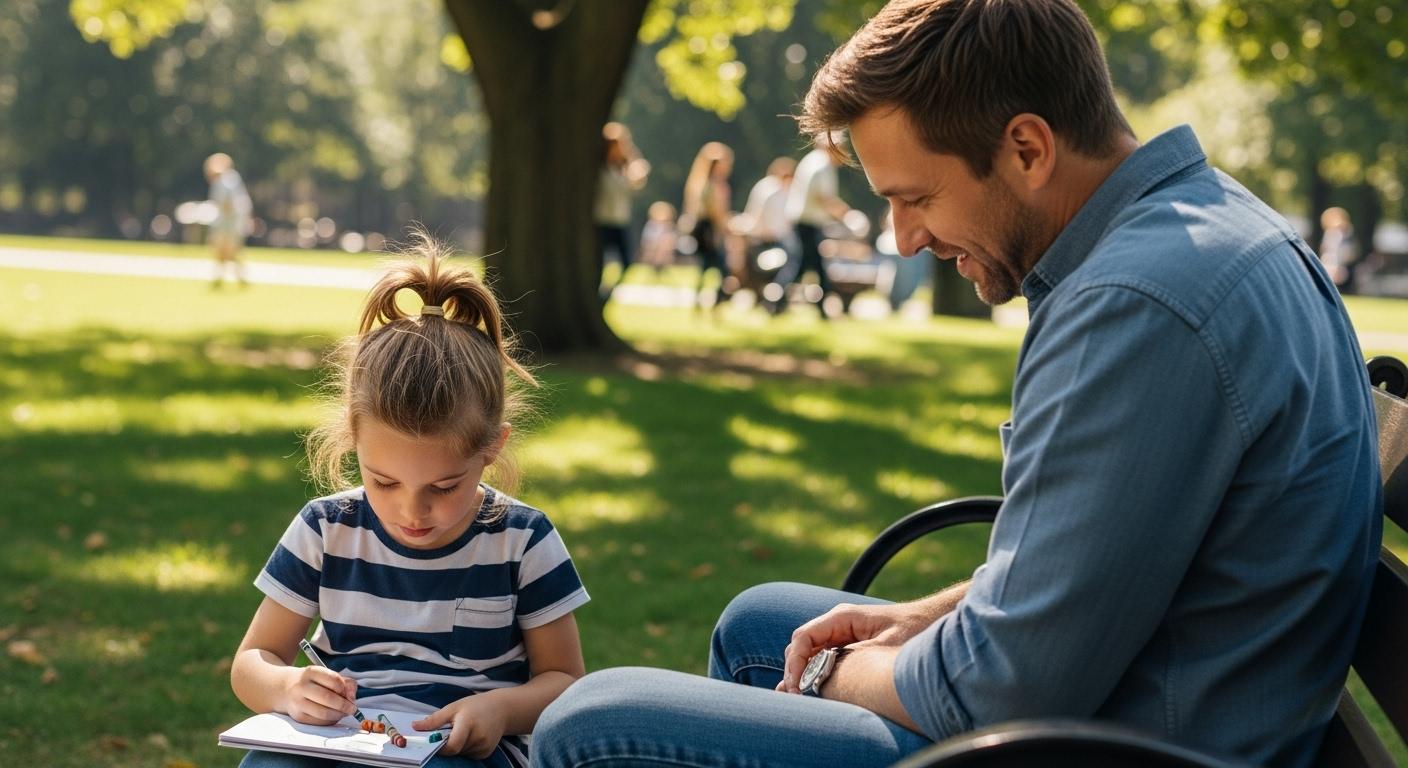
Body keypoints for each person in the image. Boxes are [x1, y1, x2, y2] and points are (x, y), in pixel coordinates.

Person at [531, 1, 1381, 766]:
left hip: (1119, 739)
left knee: (593, 724)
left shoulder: (1138, 305)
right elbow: (1115, 550)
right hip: (1134, 694)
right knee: (762, 624)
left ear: (1027, 148)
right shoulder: (1196, 230)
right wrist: (921, 617)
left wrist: (837, 674)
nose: (904, 239)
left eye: (916, 197)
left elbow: (1003, 687)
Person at [231, 240, 589, 768]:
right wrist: (286, 687)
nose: (411, 512)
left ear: (492, 448)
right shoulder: (325, 528)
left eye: (443, 488)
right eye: (383, 482)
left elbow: (565, 680)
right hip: (340, 740)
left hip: (463, 751)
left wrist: (498, 709)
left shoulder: (522, 540)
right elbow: (252, 661)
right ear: (354, 439)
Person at [765, 134, 855, 318]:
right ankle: (777, 301)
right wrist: (847, 215)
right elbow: (823, 198)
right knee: (802, 265)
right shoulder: (821, 165)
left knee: (806, 265)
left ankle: (779, 302)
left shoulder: (813, 161)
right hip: (808, 223)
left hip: (804, 221)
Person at [595, 123, 650, 300]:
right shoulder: (602, 170)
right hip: (602, 221)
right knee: (598, 263)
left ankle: (606, 294)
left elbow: (635, 186)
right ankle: (597, 293)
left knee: (627, 261)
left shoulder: (621, 170)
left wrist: (632, 158)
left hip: (619, 221)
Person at [680, 142, 735, 313]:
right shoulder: (709, 185)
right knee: (719, 267)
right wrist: (725, 226)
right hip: (709, 231)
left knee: (708, 267)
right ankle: (713, 303)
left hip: (710, 229)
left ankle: (705, 303)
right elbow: (715, 212)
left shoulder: (709, 183)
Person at [735, 157, 799, 297]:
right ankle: (777, 292)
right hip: (767, 240)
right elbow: (775, 225)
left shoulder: (762, 185)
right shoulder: (775, 190)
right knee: (793, 260)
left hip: (756, 238)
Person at [204, 152, 253, 288]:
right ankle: (230, 277)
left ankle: (232, 277)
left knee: (228, 251)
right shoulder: (229, 179)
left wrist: (221, 224)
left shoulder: (226, 181)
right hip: (231, 223)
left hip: (228, 224)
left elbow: (228, 204)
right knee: (227, 252)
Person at [1318, 206, 1359, 293]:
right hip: (1331, 261)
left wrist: (1337, 263)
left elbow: (1343, 251)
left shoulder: (1344, 233)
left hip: (1338, 262)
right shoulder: (1331, 232)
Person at [637, 201, 679, 277]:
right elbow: (647, 239)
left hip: (665, 249)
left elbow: (672, 238)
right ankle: (655, 267)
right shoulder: (651, 226)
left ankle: (661, 267)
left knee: (664, 250)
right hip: (653, 248)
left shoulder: (669, 226)